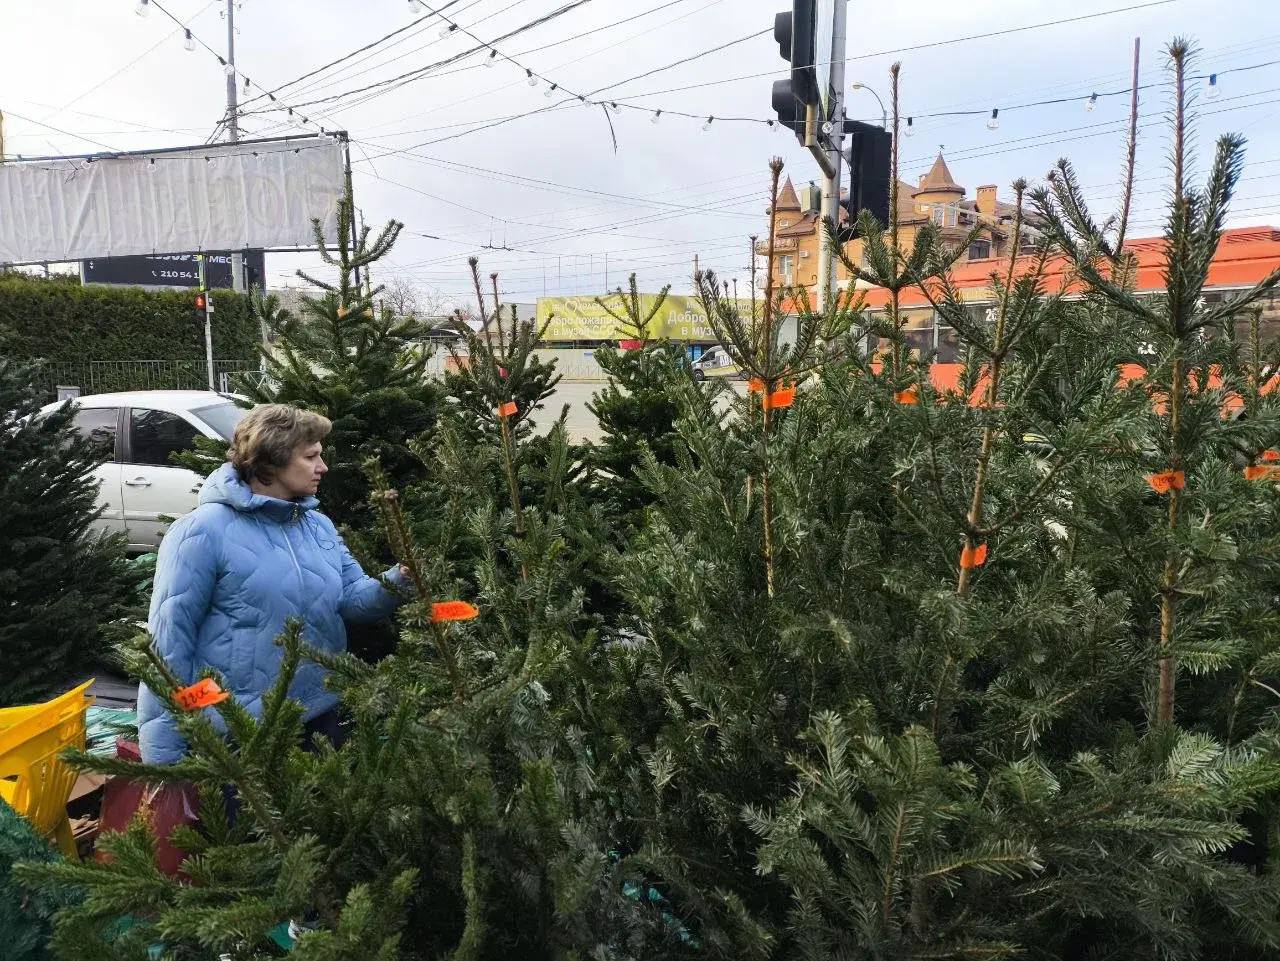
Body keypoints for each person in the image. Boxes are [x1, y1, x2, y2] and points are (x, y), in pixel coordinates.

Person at [136, 403, 412, 765]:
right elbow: (169, 646)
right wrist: (164, 760)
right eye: (311, 456)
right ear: (272, 460)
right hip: (243, 730)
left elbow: (352, 599)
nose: (323, 467)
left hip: (321, 716)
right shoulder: (201, 532)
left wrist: (399, 581)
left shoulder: (318, 527)